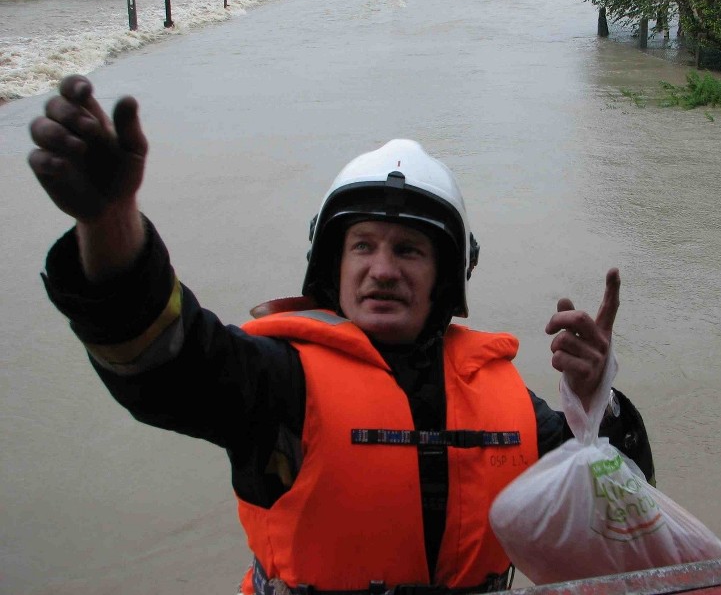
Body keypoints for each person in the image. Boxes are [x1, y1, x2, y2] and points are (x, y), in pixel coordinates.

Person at [28, 75, 655, 595]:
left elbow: (626, 525)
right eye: (363, 246)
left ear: (445, 281)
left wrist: (599, 398)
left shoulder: (514, 405)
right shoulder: (277, 383)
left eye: (409, 250)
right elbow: (161, 360)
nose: (382, 269)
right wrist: (108, 223)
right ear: (333, 266)